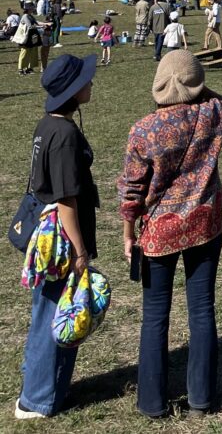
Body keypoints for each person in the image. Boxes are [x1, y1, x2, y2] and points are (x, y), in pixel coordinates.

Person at [119, 52, 222, 418]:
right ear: (198, 83)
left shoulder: (144, 129)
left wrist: (127, 233)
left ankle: (152, 403)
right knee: (202, 309)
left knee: (155, 316)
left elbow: (131, 190)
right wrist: (197, 90)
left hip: (158, 231)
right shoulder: (214, 114)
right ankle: (201, 399)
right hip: (204, 223)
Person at [15, 53, 98, 419]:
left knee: (47, 312)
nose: (91, 82)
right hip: (62, 242)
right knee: (58, 315)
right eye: (86, 79)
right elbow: (66, 200)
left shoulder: (46, 124)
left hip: (49, 237)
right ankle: (39, 398)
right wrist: (81, 252)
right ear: (73, 90)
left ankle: (39, 388)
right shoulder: (64, 134)